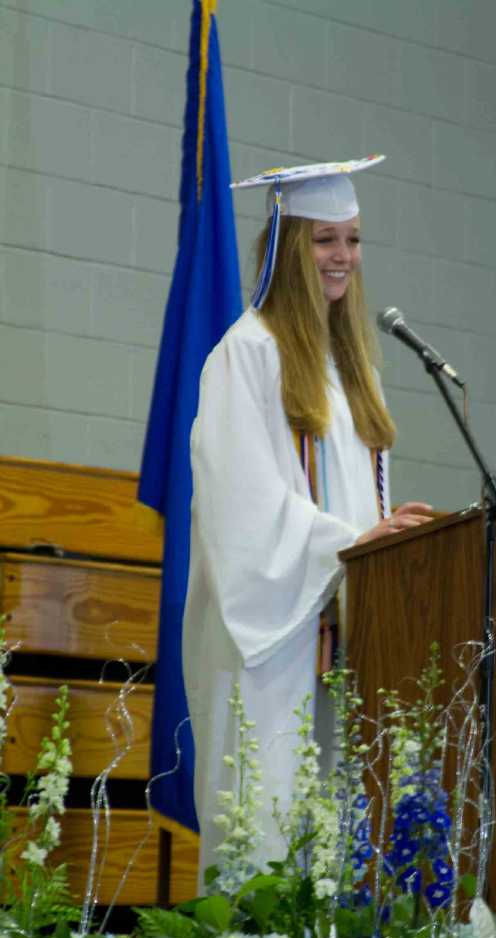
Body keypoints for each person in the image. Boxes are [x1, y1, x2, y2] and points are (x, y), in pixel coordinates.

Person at [182, 156, 432, 885]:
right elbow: (240, 501)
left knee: (335, 831)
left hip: (345, 638)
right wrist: (350, 546)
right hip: (275, 643)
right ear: (292, 247)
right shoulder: (247, 354)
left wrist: (387, 542)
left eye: (353, 241)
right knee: (268, 824)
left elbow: (359, 503)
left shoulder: (352, 369)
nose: (343, 258)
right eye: (326, 240)